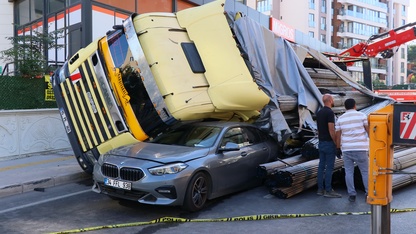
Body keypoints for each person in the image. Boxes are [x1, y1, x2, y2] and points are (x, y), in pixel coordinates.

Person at [335, 98, 369, 202]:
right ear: (355, 106)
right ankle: (368, 192)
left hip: (347, 149)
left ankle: (352, 194)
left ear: (345, 107)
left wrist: (338, 148)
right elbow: (369, 130)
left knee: (349, 172)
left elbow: (338, 135)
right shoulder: (362, 116)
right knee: (365, 171)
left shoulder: (340, 119)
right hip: (361, 148)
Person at [316, 94, 342, 198]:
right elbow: (332, 130)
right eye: (333, 99)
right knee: (330, 167)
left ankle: (320, 189)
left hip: (321, 142)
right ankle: (328, 190)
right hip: (329, 143)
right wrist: (337, 145)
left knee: (321, 166)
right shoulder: (330, 113)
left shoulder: (319, 112)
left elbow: (318, 130)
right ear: (330, 100)